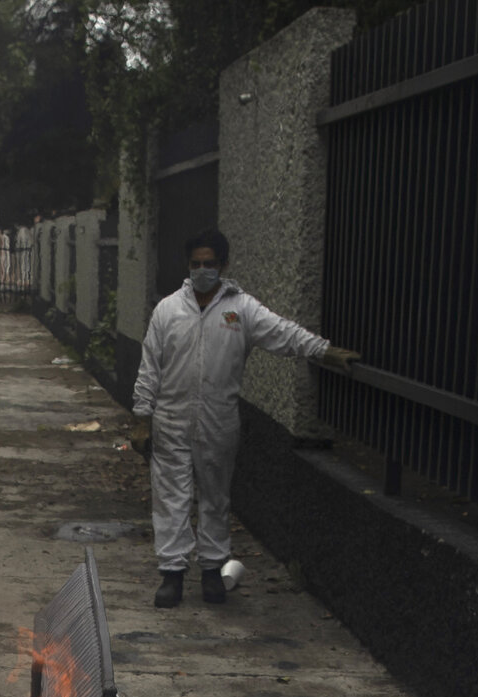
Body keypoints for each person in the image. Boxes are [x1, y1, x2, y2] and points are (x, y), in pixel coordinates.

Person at [132, 228, 357, 606]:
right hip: (171, 420)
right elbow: (149, 366)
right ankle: (171, 574)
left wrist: (324, 351)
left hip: (220, 420)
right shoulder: (168, 310)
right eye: (196, 264)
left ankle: (212, 572)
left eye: (210, 264)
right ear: (188, 266)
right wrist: (142, 416)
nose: (203, 270)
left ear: (223, 265)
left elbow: (284, 333)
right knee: (171, 497)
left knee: (216, 498)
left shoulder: (241, 310)